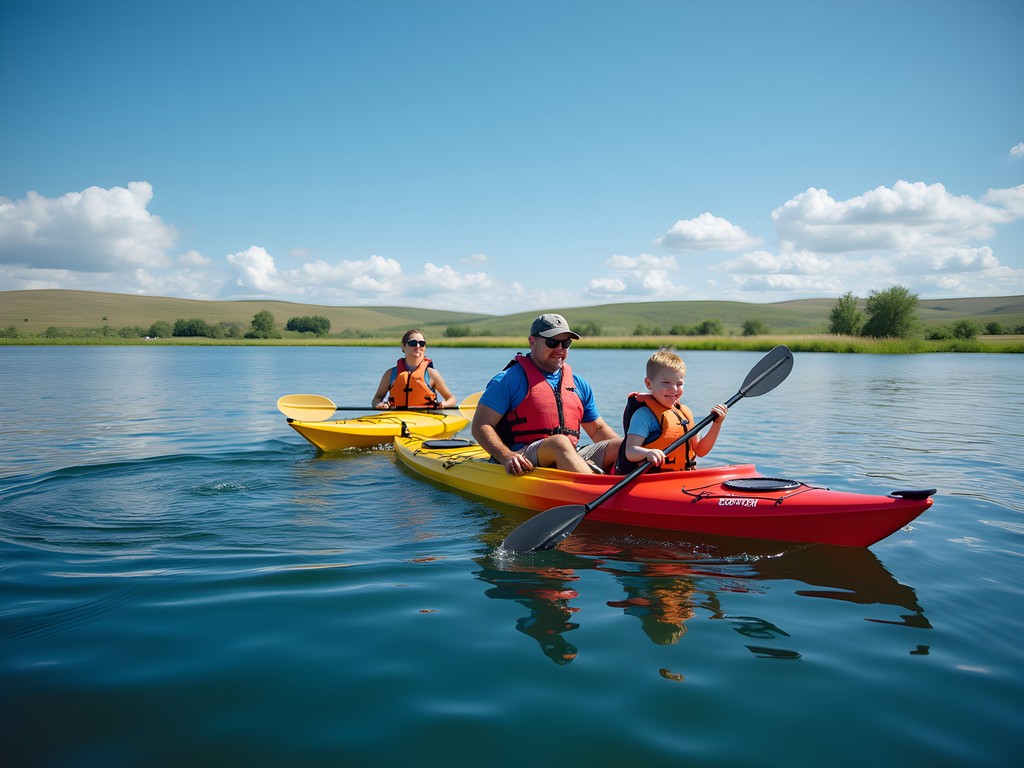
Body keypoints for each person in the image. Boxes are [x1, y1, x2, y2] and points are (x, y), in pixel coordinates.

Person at [472, 313, 621, 475]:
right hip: (523, 457)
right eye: (552, 342)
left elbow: (598, 430)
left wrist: (629, 450)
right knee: (559, 443)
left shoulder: (579, 384)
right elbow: (480, 425)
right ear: (532, 342)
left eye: (565, 343)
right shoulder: (507, 380)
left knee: (622, 445)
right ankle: (599, 491)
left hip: (570, 452)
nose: (559, 349)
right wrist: (506, 456)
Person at [615, 349, 727, 474]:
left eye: (679, 384)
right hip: (651, 481)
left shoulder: (684, 413)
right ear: (648, 384)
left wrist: (716, 424)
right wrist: (648, 452)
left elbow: (700, 450)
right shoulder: (644, 415)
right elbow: (630, 451)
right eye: (666, 383)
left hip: (682, 479)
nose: (673, 389)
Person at [371, 329, 457, 409]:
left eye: (422, 343)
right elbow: (377, 398)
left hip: (426, 418)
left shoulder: (431, 374)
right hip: (396, 418)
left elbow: (451, 399)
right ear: (403, 346)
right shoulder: (390, 374)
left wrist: (443, 404)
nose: (418, 346)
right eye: (413, 343)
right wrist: (379, 404)